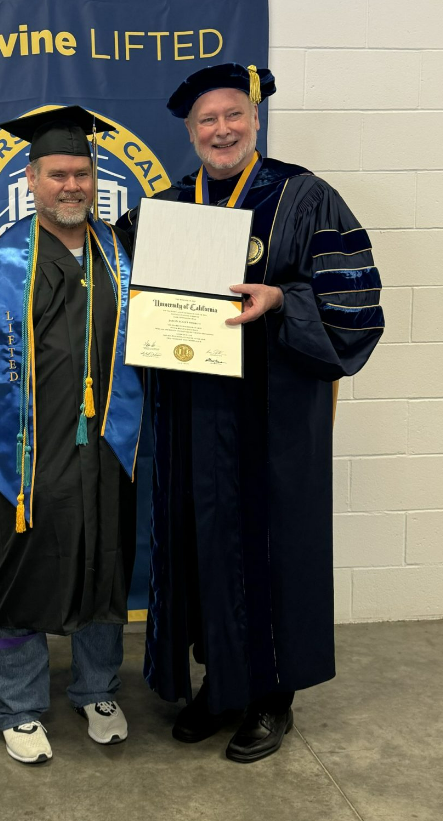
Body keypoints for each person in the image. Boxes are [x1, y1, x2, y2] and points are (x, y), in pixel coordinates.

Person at [117, 63, 384, 763]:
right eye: (207, 120)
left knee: (272, 548)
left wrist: (283, 303)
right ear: (191, 131)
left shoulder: (304, 197)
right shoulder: (171, 208)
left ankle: (272, 696)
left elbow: (354, 303)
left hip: (272, 420)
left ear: (255, 120)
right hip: (193, 420)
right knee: (200, 547)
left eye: (233, 115)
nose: (222, 129)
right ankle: (221, 683)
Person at [0, 106, 143, 764]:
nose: (71, 185)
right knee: (24, 567)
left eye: (81, 173)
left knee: (105, 563)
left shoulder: (121, 255)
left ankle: (97, 688)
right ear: (30, 179)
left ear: (95, 180)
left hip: (107, 443)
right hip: (26, 449)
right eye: (58, 174)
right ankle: (18, 704)